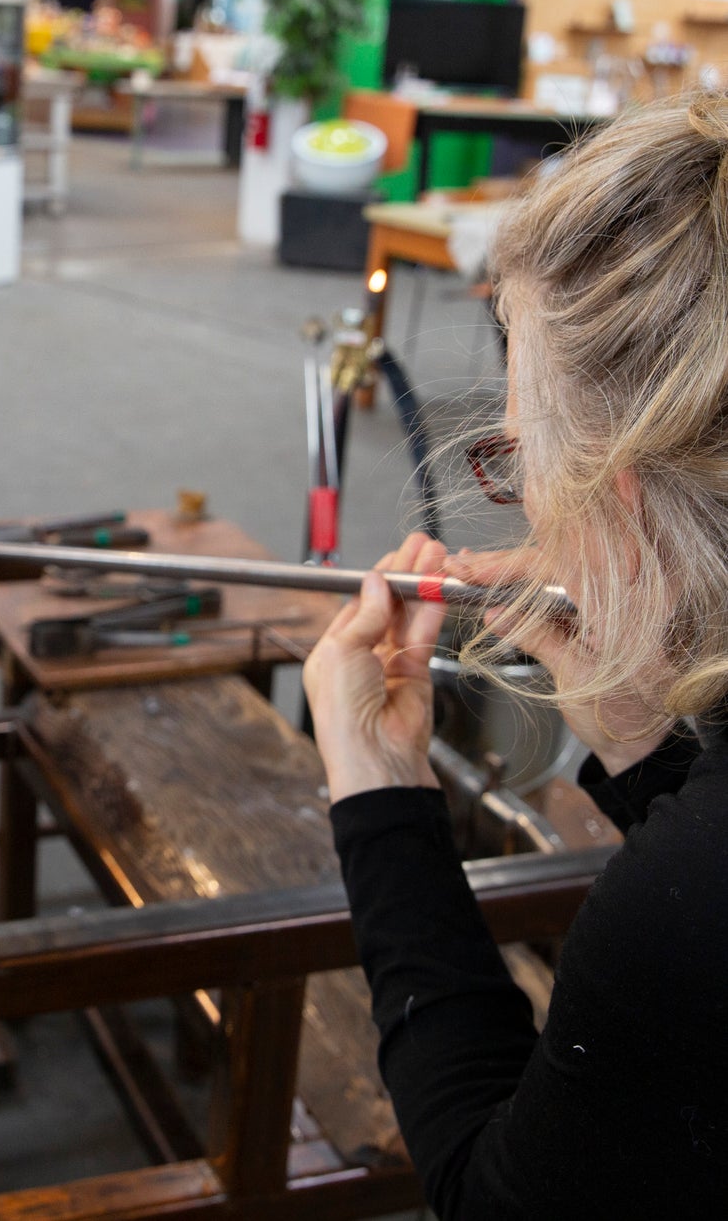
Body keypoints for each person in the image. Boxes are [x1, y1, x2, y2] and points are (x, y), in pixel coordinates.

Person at [303, 93, 728, 1217]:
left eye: (522, 449)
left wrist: (378, 790)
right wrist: (644, 748)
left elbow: (493, 1203)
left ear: (623, 489)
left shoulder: (677, 906)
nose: (523, 497)